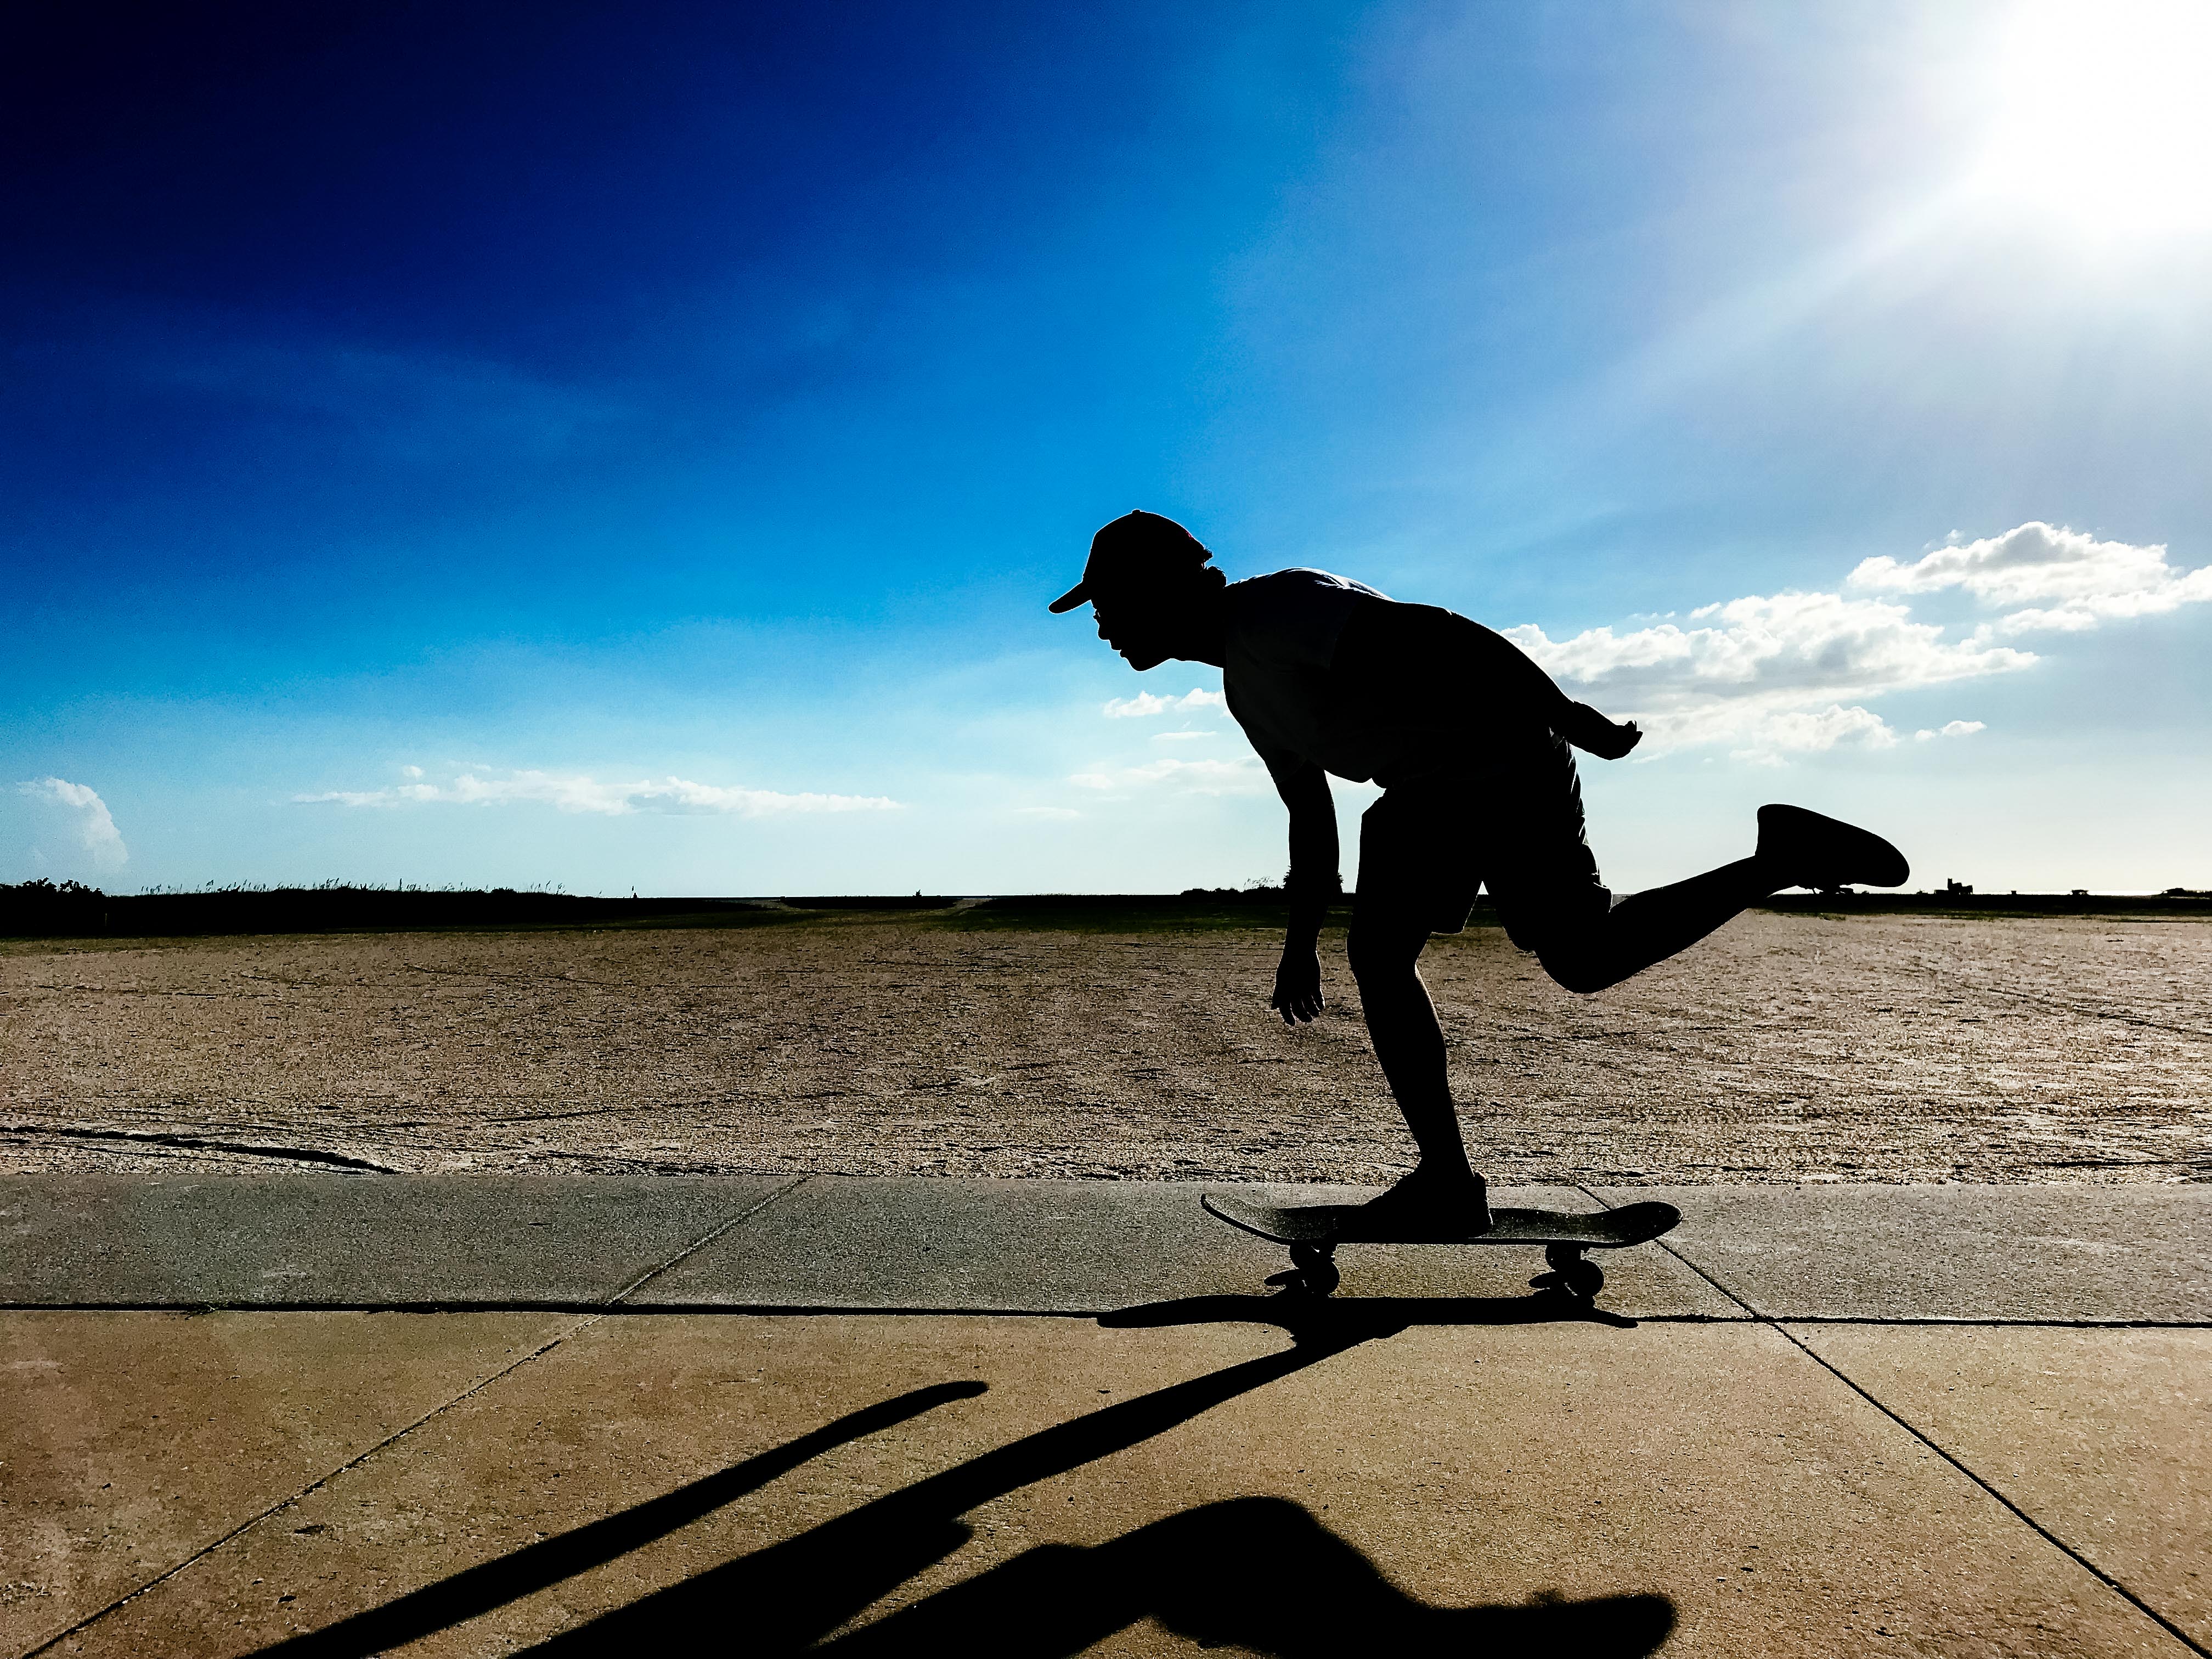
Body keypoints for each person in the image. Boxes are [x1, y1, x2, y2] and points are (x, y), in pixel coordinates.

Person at [1049, 510, 1909, 1237]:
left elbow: (1442, 635)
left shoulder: (1275, 612)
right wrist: (1299, 944)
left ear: (1160, 590)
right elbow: (1311, 821)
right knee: (1518, 958)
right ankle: (1448, 1184)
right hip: (1431, 791)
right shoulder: (1246, 685)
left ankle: (1447, 1186)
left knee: (1568, 957)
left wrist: (1568, 713)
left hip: (1498, 765)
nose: (1101, 624)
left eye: (1109, 603)